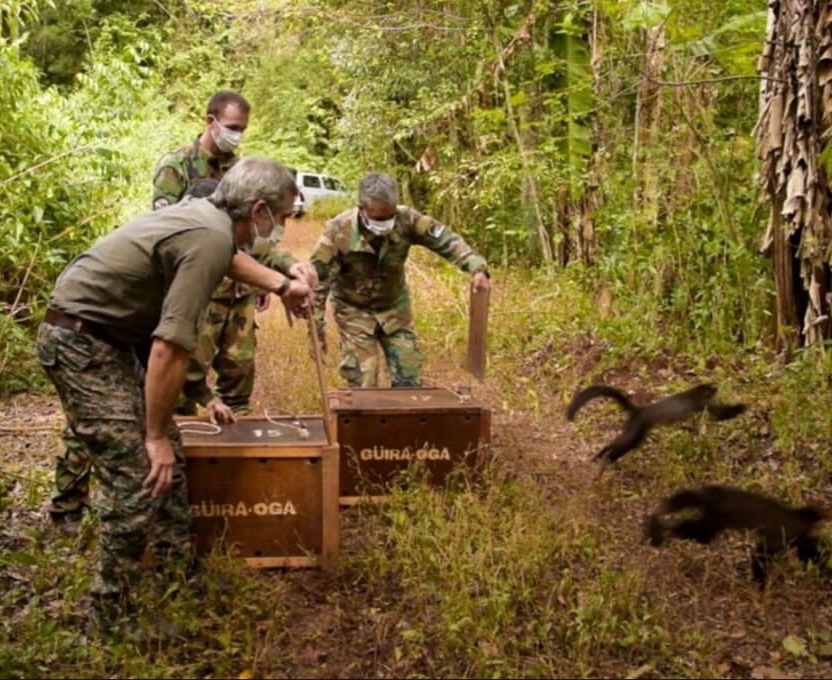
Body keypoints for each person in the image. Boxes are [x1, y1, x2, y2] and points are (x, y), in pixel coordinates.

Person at [36, 158, 313, 628]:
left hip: (108, 336)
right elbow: (169, 346)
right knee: (140, 472)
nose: (283, 229)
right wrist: (155, 435)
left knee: (173, 464)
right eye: (283, 218)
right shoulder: (209, 234)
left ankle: (176, 576)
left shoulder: (210, 219)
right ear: (260, 210)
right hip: (80, 341)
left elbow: (228, 259)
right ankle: (113, 616)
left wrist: (282, 284)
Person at [150, 91, 307, 422]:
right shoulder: (176, 166)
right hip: (202, 288)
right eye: (233, 126)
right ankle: (178, 449)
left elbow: (254, 235)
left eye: (243, 129)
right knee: (183, 380)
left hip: (240, 291)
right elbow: (172, 233)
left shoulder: (240, 170)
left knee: (239, 377)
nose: (238, 135)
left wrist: (271, 275)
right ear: (212, 122)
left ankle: (239, 454)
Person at [310, 171, 491, 388]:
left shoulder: (408, 219)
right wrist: (316, 332)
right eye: (379, 218)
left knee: (409, 376)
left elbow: (446, 240)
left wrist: (476, 267)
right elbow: (317, 283)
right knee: (363, 380)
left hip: (394, 308)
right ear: (362, 209)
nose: (386, 223)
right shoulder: (338, 231)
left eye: (391, 215)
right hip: (353, 310)